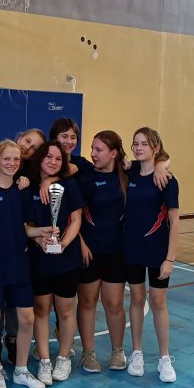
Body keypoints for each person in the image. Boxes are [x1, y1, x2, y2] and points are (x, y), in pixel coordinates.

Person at [0, 140, 46, 388]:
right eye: (6, 159)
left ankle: (21, 370)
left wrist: (44, 231)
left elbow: (26, 229)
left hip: (20, 263)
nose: (12, 163)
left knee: (27, 317)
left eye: (16, 159)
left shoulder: (22, 191)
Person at [124, 127, 180, 383]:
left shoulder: (167, 180)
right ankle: (136, 353)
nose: (138, 148)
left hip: (157, 251)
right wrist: (159, 163)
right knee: (137, 299)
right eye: (135, 143)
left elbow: (175, 222)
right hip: (132, 248)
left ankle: (164, 357)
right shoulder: (130, 172)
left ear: (155, 147)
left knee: (158, 302)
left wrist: (170, 259)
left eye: (144, 144)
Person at [25, 140, 84, 385]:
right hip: (39, 258)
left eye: (58, 159)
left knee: (65, 309)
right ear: (40, 158)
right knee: (41, 309)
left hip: (66, 259)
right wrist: (39, 239)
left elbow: (77, 219)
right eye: (48, 157)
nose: (53, 162)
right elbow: (25, 224)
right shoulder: (29, 187)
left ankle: (63, 358)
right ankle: (45, 360)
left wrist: (63, 244)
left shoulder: (69, 184)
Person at [75, 130, 129, 373]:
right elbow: (72, 214)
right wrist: (81, 243)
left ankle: (118, 351)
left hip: (116, 251)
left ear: (113, 153)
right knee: (87, 301)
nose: (93, 154)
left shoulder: (126, 175)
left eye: (99, 150)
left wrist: (162, 166)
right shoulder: (84, 176)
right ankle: (88, 354)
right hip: (89, 251)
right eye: (92, 149)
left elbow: (159, 160)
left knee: (114, 303)